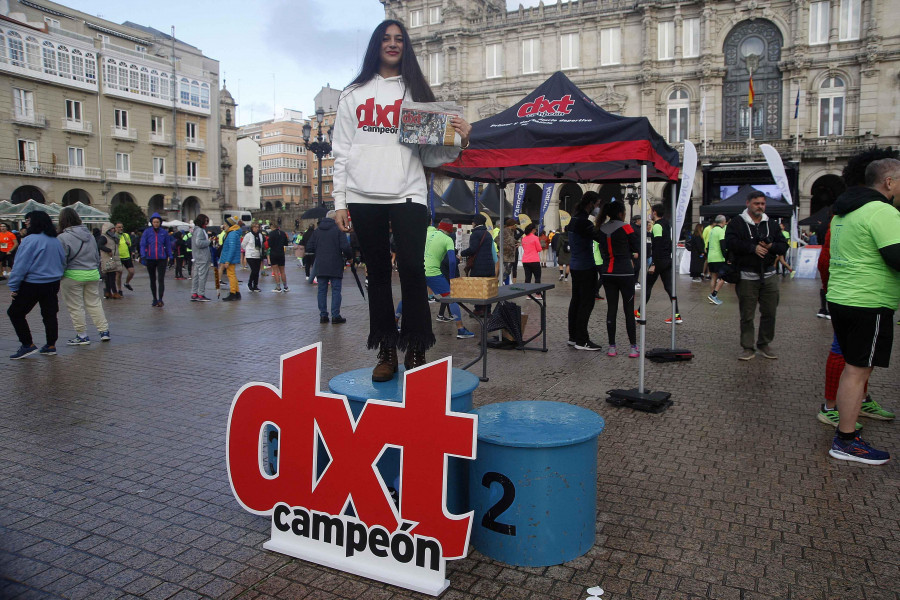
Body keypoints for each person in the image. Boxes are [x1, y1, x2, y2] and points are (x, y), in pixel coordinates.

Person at [331, 19, 471, 381]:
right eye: (386, 39)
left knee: (412, 270)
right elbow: (341, 151)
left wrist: (460, 140)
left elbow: (431, 156)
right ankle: (386, 350)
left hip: (408, 191)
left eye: (399, 40)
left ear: (405, 47)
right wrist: (340, 201)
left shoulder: (417, 94)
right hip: (362, 195)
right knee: (378, 274)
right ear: (376, 44)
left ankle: (417, 347)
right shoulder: (352, 94)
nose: (392, 44)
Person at [825, 158, 900, 465]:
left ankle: (845, 435)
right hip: (868, 300)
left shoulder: (844, 211)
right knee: (858, 371)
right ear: (889, 183)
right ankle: (846, 440)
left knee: (853, 368)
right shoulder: (882, 211)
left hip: (843, 297)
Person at [724, 190, 788, 360]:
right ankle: (747, 346)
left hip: (769, 275)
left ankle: (764, 343)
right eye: (756, 203)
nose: (760, 206)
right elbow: (730, 242)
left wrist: (770, 246)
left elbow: (783, 246)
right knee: (747, 314)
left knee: (770, 312)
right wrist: (752, 248)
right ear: (748, 203)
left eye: (762, 203)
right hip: (746, 275)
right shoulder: (737, 223)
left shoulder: (772, 224)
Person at [6, 211, 66, 359]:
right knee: (50, 314)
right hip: (52, 283)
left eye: (28, 220)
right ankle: (51, 345)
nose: (26, 223)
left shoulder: (30, 240)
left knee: (15, 313)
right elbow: (63, 261)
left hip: (33, 283)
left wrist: (14, 286)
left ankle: (27, 344)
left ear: (36, 222)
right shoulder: (54, 240)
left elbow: (20, 266)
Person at [57, 208, 110, 344]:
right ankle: (103, 331)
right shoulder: (90, 235)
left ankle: (82, 335)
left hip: (72, 274)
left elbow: (62, 259)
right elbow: (96, 255)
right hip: (92, 273)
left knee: (76, 306)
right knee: (94, 303)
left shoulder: (62, 237)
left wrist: (59, 274)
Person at [597, 200, 640, 358]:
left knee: (612, 309)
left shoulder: (601, 228)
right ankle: (633, 347)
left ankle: (612, 347)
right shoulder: (626, 227)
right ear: (622, 213)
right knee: (628, 311)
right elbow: (636, 246)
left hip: (607, 273)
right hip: (625, 273)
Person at [565, 194, 603, 350]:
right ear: (591, 204)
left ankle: (573, 337)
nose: (597, 208)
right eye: (597, 204)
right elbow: (600, 237)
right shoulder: (584, 223)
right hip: (586, 266)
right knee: (586, 303)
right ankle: (582, 340)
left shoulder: (574, 219)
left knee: (576, 301)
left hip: (575, 265)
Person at [424, 219, 474, 338]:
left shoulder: (427, 232)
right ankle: (460, 329)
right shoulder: (448, 239)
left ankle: (395, 321)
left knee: (409, 297)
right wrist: (452, 278)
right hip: (433, 273)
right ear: (450, 230)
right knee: (451, 298)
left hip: (418, 270)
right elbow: (452, 261)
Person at [307, 210, 352, 324]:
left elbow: (309, 247)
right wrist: (349, 257)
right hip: (335, 263)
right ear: (336, 219)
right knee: (336, 290)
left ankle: (323, 315)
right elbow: (345, 247)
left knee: (321, 290)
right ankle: (335, 315)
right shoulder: (338, 230)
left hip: (321, 264)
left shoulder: (317, 231)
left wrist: (319, 250)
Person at [644, 203, 681, 324]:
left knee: (648, 286)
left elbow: (657, 245)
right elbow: (668, 242)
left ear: (654, 212)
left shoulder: (657, 226)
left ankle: (640, 313)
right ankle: (677, 314)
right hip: (666, 259)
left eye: (651, 211)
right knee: (669, 287)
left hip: (659, 261)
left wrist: (654, 263)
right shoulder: (666, 224)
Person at [140, 213, 173, 308]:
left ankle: (160, 299)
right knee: (152, 279)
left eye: (157, 222)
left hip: (161, 258)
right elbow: (143, 244)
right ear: (151, 222)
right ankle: (154, 298)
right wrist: (143, 256)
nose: (156, 224)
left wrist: (170, 256)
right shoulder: (147, 232)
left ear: (160, 222)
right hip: (150, 258)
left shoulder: (164, 232)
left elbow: (168, 245)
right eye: (154, 222)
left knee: (161, 279)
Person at [219, 216, 243, 301]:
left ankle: (233, 293)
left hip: (229, 258)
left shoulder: (232, 233)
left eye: (225, 224)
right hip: (230, 257)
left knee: (231, 275)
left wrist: (227, 260)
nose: (224, 225)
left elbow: (232, 248)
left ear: (229, 224)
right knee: (233, 275)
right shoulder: (232, 232)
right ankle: (236, 292)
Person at [190, 214, 212, 302]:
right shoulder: (200, 230)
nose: (207, 223)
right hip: (202, 256)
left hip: (196, 256)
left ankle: (194, 292)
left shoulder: (195, 230)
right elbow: (199, 243)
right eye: (206, 221)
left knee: (196, 275)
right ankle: (201, 294)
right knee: (202, 276)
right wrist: (208, 242)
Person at [706, 215, 728, 305]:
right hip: (718, 257)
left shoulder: (712, 230)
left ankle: (712, 296)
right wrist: (726, 257)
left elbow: (708, 244)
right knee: (724, 277)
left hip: (711, 257)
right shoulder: (721, 231)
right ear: (723, 222)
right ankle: (714, 295)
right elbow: (723, 245)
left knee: (713, 277)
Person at [98, 223, 122, 299]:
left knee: (108, 277)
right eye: (112, 229)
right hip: (107, 259)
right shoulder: (104, 237)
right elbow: (99, 245)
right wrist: (108, 250)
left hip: (111, 259)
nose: (113, 230)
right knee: (111, 276)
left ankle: (108, 292)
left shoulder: (111, 237)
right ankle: (114, 292)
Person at [242, 222, 264, 292]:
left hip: (258, 255)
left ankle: (255, 286)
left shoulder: (260, 235)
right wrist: (248, 250)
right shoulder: (248, 235)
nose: (256, 228)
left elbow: (261, 244)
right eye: (255, 227)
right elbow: (243, 244)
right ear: (252, 228)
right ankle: (250, 284)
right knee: (254, 270)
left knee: (257, 271)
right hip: (250, 255)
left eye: (258, 227)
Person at [267, 222, 290, 292]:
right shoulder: (283, 233)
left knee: (276, 271)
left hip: (274, 253)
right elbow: (286, 243)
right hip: (281, 253)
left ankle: (278, 287)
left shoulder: (271, 234)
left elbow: (269, 244)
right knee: (282, 271)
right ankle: (286, 287)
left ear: (272, 227)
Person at [114, 222, 135, 293]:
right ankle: (119, 289)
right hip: (118, 257)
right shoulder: (114, 236)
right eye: (119, 227)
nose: (121, 228)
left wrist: (129, 243)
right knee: (119, 273)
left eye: (122, 227)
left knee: (131, 272)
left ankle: (126, 283)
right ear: (115, 228)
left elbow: (130, 244)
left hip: (126, 256)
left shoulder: (125, 235)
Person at [501, 218, 518, 284]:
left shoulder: (511, 231)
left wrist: (517, 242)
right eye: (515, 225)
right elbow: (497, 239)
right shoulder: (506, 231)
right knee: (507, 270)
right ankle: (501, 281)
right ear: (512, 225)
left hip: (509, 254)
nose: (516, 226)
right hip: (506, 254)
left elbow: (512, 240)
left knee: (508, 270)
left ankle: (502, 281)